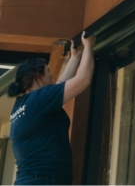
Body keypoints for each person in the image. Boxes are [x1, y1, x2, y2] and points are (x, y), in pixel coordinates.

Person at [8, 32, 96, 185]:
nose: (52, 75)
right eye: (48, 71)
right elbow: (83, 80)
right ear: (38, 77)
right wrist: (89, 46)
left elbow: (59, 87)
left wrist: (75, 57)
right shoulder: (38, 100)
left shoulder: (22, 105)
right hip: (44, 180)